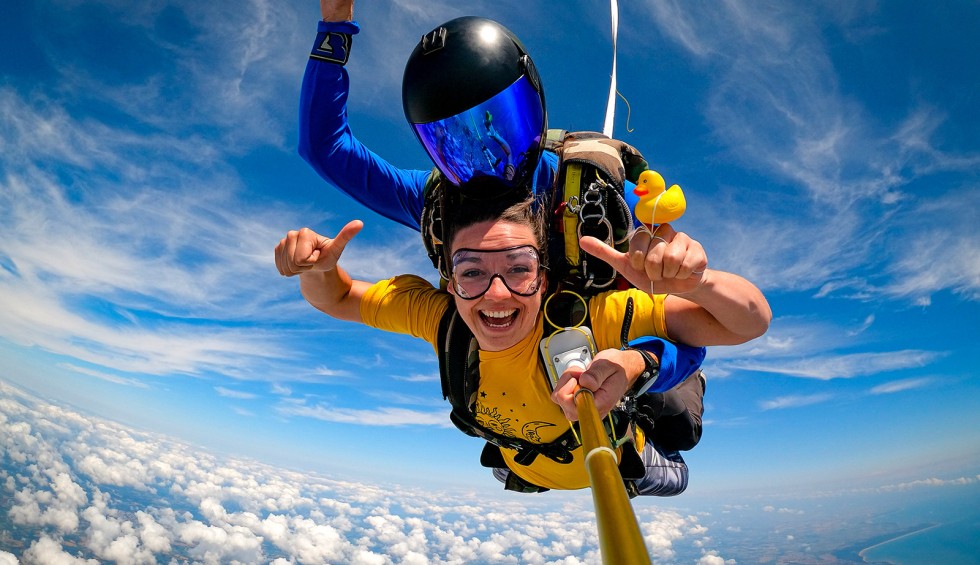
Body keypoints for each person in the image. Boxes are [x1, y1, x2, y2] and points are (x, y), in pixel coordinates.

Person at [301, 1, 710, 460]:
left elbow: (692, 330)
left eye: (499, 126)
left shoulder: (591, 200)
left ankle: (642, 449)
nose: (485, 158)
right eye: (453, 140)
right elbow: (327, 149)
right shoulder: (441, 201)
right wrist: (334, 27)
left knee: (675, 423)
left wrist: (645, 354)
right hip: (522, 378)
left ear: (532, 114)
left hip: (608, 346)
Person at [275, 185, 772, 495]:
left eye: (518, 269)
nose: (496, 293)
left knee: (675, 474)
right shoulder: (441, 318)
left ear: (545, 276)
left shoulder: (594, 314)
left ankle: (662, 377)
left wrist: (696, 284)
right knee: (512, 471)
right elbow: (337, 298)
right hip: (524, 468)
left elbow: (747, 322)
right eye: (472, 272)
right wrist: (320, 270)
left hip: (626, 466)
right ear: (450, 282)